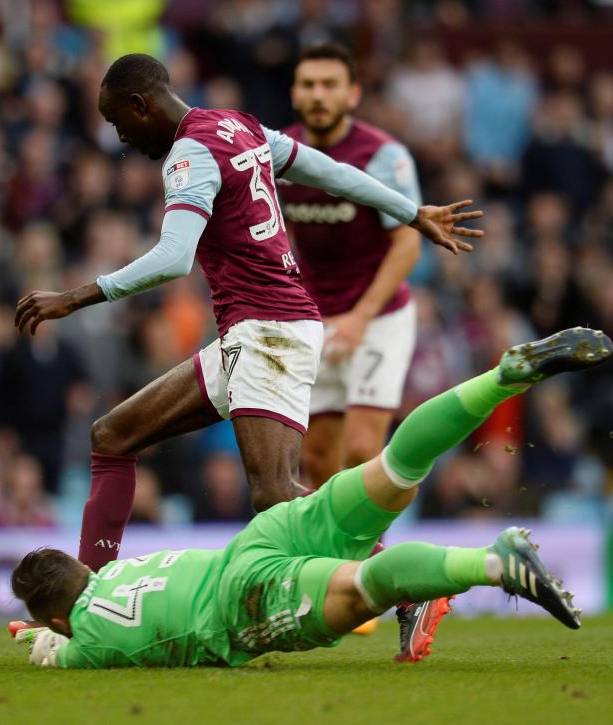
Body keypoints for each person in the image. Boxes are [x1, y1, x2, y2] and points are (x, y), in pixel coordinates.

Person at [14, 53, 483, 572]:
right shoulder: (239, 126)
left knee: (275, 494)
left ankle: (411, 581)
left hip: (268, 331)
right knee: (112, 435)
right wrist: (411, 211)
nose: (120, 137)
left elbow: (173, 259)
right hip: (258, 330)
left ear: (139, 105)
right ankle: (89, 602)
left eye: (116, 121)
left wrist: (76, 296)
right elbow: (329, 171)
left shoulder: (187, 155)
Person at [9, 327, 612, 669]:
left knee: (368, 584)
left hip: (240, 604)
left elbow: (57, 649)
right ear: (86, 569)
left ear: (59, 619)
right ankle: (501, 378)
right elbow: (75, 602)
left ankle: (494, 563)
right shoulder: (115, 575)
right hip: (260, 538)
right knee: (396, 466)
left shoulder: (83, 641)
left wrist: (43, 640)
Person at [279, 42, 435, 644]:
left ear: (352, 93)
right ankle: (344, 582)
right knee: (317, 460)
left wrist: (361, 317)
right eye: (307, 83)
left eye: (328, 83)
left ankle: (385, 585)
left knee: (365, 448)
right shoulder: (279, 153)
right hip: (316, 320)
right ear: (295, 93)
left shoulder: (384, 155)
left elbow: (407, 243)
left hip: (382, 315)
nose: (317, 94)